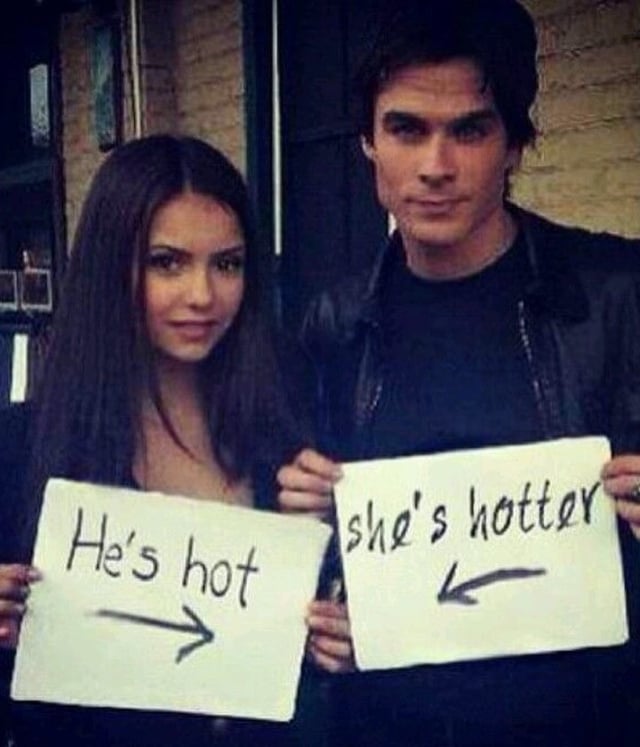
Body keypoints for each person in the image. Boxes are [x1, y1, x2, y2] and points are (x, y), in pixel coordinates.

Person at [277, 1, 640, 745]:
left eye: (469, 130)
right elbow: (315, 566)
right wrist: (307, 544)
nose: (435, 167)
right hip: (390, 725)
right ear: (368, 142)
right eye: (406, 129)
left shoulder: (617, 296)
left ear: (515, 145)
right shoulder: (333, 326)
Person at [0, 134, 307, 747]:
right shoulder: (20, 448)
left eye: (228, 264)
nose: (202, 295)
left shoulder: (283, 435)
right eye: (167, 262)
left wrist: (330, 570)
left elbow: (308, 648)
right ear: (111, 268)